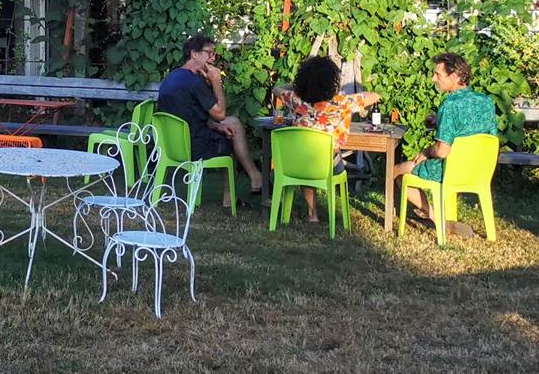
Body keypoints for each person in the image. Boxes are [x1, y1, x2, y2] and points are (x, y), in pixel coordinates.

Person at [394, 52, 498, 237]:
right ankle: (442, 218)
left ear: (455, 76)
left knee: (397, 171)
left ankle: (437, 219)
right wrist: (439, 122)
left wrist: (425, 152)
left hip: (451, 170)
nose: (434, 79)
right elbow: (479, 134)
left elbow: (442, 151)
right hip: (479, 170)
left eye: (438, 75)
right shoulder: (486, 102)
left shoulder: (449, 105)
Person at [157, 33, 263, 207]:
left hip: (172, 145)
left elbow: (185, 115)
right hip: (194, 147)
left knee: (230, 124)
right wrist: (216, 81)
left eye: (215, 54)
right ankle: (244, 187)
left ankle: (253, 178)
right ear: (194, 54)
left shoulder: (173, 77)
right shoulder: (194, 82)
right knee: (231, 133)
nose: (213, 58)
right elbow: (220, 113)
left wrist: (214, 126)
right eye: (210, 53)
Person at [274, 55, 379, 223]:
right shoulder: (342, 103)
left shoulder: (296, 101)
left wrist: (297, 88)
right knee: (328, 162)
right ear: (332, 82)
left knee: (306, 162)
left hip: (298, 165)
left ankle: (312, 214)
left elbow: (277, 89)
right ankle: (321, 214)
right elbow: (374, 96)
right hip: (328, 165)